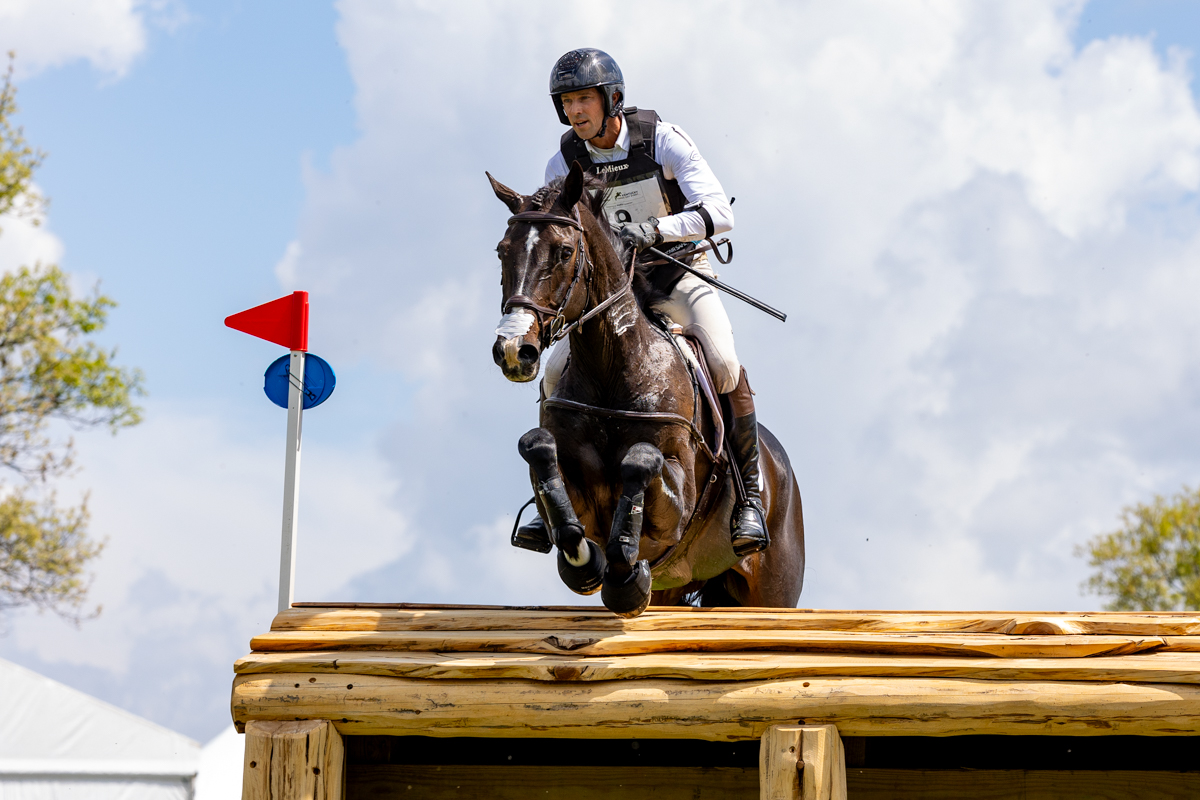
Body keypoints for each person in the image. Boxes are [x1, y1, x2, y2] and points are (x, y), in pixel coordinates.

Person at [516, 47, 769, 558]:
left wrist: (654, 229)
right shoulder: (562, 161)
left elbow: (720, 212)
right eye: (566, 103)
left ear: (611, 99)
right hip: (612, 292)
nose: (575, 112)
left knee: (722, 361)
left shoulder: (662, 140)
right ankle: (551, 498)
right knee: (553, 374)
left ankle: (750, 495)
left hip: (677, 273)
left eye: (584, 99)